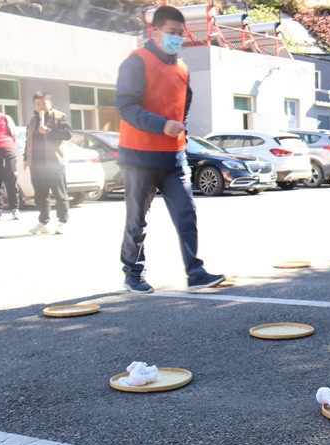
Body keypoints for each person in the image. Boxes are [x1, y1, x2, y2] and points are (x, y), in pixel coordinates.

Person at [115, 4, 223, 293]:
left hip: (174, 157)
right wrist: (162, 125)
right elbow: (125, 106)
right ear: (155, 31)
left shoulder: (182, 68)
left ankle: (196, 273)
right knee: (137, 220)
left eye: (180, 33)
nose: (177, 38)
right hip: (138, 157)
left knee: (186, 213)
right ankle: (132, 273)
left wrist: (179, 127)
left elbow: (184, 104)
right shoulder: (136, 62)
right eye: (171, 32)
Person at [24, 91, 72, 234]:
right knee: (40, 195)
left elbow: (67, 134)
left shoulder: (59, 116)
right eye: (38, 104)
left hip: (54, 163)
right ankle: (43, 221)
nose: (41, 106)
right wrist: (26, 158)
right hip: (36, 163)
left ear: (50, 103)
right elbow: (28, 140)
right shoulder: (33, 120)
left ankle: (62, 221)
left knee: (60, 194)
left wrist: (49, 131)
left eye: (44, 103)